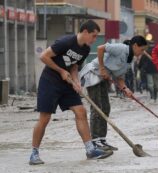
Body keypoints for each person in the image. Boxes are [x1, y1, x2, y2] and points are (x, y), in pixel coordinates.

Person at [29, 20, 112, 165]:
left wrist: (76, 82)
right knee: (45, 118)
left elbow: (74, 66)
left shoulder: (85, 49)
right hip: (50, 82)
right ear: (85, 31)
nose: (94, 39)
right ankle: (34, 153)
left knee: (81, 111)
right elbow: (44, 56)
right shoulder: (66, 42)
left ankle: (90, 150)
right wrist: (61, 70)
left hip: (67, 83)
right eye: (93, 36)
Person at [79, 35, 148, 152]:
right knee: (97, 108)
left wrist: (125, 89)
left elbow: (119, 77)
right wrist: (101, 68)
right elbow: (100, 48)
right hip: (93, 74)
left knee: (105, 108)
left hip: (103, 78)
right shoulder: (121, 48)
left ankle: (101, 139)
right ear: (135, 45)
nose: (142, 53)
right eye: (141, 50)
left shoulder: (129, 59)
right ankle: (95, 141)